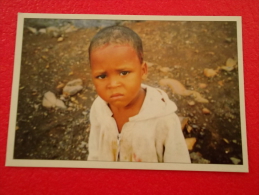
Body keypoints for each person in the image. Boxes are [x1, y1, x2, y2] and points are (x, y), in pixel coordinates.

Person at [87, 25, 190, 163]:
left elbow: (179, 165)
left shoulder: (164, 120)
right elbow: (94, 150)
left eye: (124, 73)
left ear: (143, 70)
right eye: (101, 76)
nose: (113, 84)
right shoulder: (99, 108)